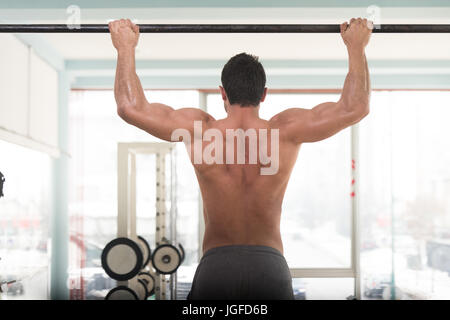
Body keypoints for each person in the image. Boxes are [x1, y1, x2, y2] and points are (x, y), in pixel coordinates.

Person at [109, 17, 372, 300]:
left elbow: (129, 107)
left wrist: (125, 47)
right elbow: (354, 107)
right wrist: (356, 47)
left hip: (217, 266)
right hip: (269, 266)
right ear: (264, 94)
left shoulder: (200, 131)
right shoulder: (284, 131)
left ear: (223, 92)